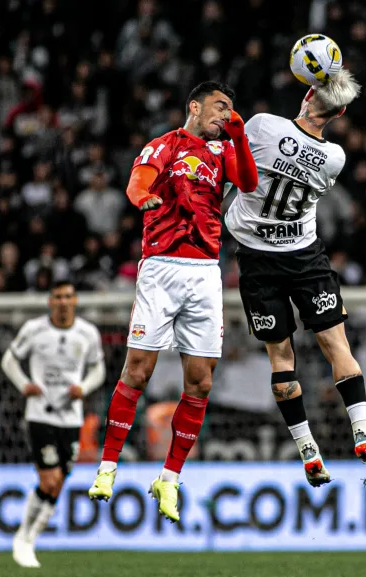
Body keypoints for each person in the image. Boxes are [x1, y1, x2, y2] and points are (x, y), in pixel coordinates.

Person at [88, 81, 258, 523]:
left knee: (200, 381)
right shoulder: (164, 146)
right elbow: (138, 181)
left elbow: (249, 182)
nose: (225, 115)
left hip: (205, 272)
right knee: (139, 369)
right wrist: (144, 197)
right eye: (220, 107)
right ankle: (107, 468)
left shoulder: (223, 153)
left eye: (231, 110)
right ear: (194, 107)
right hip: (162, 266)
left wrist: (238, 135)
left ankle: (170, 478)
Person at [223, 65, 366, 485]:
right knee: (337, 346)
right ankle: (363, 434)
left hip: (258, 260)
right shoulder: (335, 158)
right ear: (338, 115)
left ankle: (307, 449)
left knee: (281, 360)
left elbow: (233, 155)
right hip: (304, 257)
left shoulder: (264, 126)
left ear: (306, 95)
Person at [0, 281, 105, 567]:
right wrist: (24, 385)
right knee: (49, 478)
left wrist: (83, 387)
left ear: (75, 301)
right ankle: (24, 539)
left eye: (68, 296)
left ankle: (29, 536)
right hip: (40, 414)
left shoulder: (87, 333)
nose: (62, 301)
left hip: (71, 417)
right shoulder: (34, 330)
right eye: (57, 296)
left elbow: (99, 368)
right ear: (50, 301)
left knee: (59, 482)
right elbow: (10, 360)